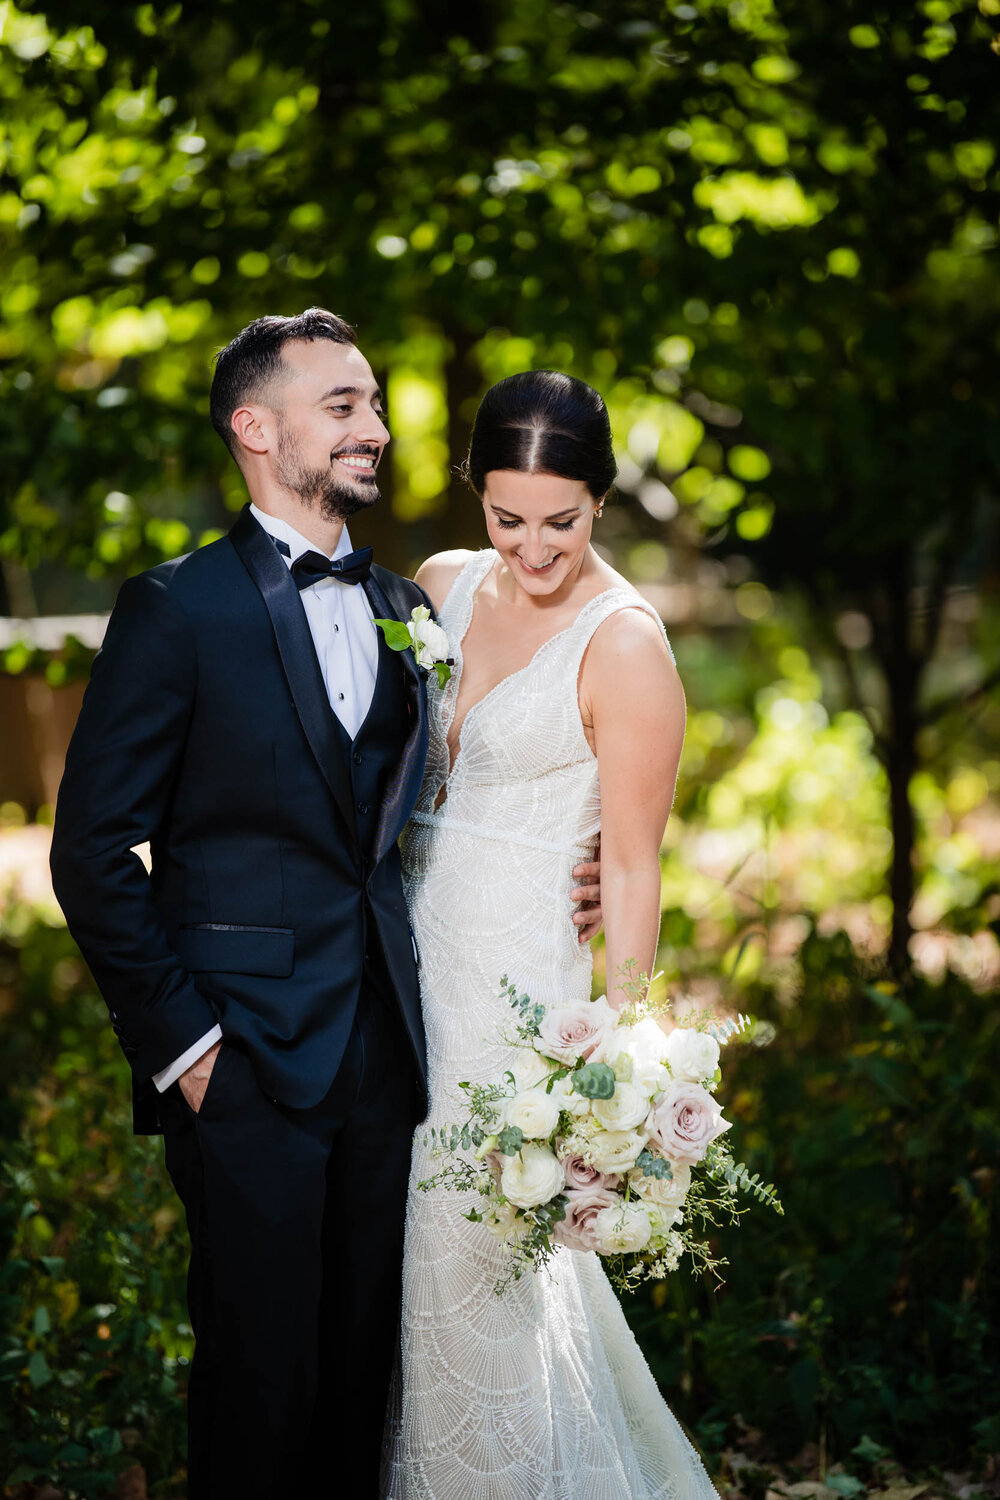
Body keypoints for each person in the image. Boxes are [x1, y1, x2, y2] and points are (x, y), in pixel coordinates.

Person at [48, 309, 604, 1500]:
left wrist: (581, 850)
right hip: (240, 1058)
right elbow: (91, 851)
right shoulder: (176, 608)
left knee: (365, 1386)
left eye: (376, 403)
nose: (377, 426)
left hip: (394, 1056)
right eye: (341, 405)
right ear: (258, 428)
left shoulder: (412, 601)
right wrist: (186, 1046)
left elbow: (443, 802)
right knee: (260, 1386)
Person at [383, 370, 717, 1499]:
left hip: (515, 1002)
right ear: (476, 497)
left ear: (601, 501)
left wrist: (614, 1069)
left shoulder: (623, 645)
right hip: (394, 974)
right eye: (506, 518)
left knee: (468, 1265)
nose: (531, 550)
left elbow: (629, 864)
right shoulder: (439, 584)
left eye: (560, 523)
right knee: (389, 1283)